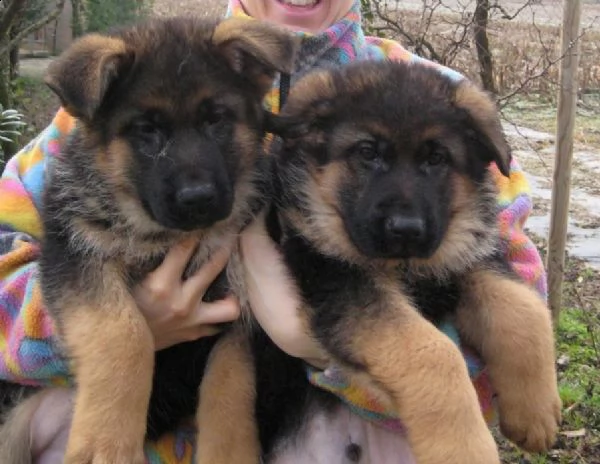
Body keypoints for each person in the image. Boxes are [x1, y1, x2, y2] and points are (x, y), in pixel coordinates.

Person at [0, 0, 548, 462]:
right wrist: (113, 330)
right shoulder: (90, 110)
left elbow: (502, 341)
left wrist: (318, 350)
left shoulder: (438, 93)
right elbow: (12, 259)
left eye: (219, 121)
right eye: (147, 132)